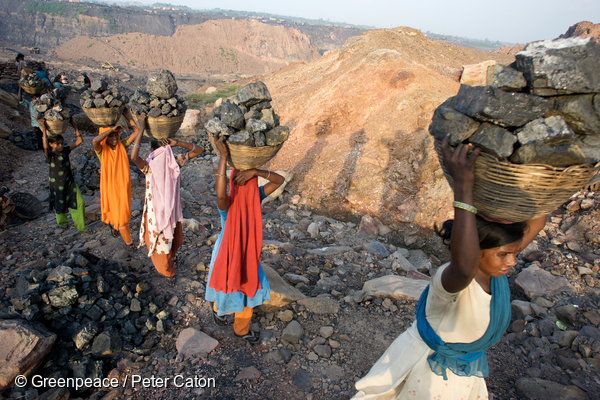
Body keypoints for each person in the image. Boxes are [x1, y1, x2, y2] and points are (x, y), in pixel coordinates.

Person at [352, 135, 547, 400]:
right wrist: (463, 186)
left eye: (513, 253)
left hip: (462, 370)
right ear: (475, 249)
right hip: (429, 371)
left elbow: (538, 217)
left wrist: (531, 172)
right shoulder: (453, 280)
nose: (512, 262)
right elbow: (465, 265)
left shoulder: (492, 266)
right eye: (504, 254)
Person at [205, 135, 284, 344]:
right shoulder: (228, 204)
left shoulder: (255, 196)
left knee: (245, 285)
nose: (248, 184)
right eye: (245, 180)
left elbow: (280, 180)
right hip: (228, 251)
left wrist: (256, 171)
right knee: (229, 283)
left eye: (251, 180)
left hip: (248, 251)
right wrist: (223, 156)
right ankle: (220, 312)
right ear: (234, 183)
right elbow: (219, 192)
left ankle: (238, 327)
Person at [129, 113, 204, 284]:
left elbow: (199, 151)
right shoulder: (155, 165)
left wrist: (176, 142)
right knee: (162, 244)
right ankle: (167, 273)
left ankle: (170, 264)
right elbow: (198, 150)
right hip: (157, 213)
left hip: (170, 210)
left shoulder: (172, 163)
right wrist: (176, 144)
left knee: (174, 241)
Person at [92, 109, 139, 247]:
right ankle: (129, 244)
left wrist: (127, 115)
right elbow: (95, 141)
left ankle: (114, 227)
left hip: (123, 187)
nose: (114, 139)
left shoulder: (122, 145)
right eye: (111, 137)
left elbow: (136, 132)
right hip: (111, 188)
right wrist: (111, 130)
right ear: (105, 136)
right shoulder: (101, 150)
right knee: (122, 217)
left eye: (116, 136)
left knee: (122, 212)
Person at [38, 117, 87, 232]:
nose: (60, 145)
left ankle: (81, 226)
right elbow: (44, 146)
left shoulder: (65, 151)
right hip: (57, 184)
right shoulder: (50, 155)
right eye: (57, 144)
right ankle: (62, 223)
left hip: (70, 182)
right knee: (59, 203)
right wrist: (44, 130)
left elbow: (80, 141)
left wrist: (73, 124)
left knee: (79, 202)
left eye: (62, 143)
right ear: (51, 144)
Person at [17, 86, 44, 151]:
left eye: (36, 98)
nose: (35, 99)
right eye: (33, 98)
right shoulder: (30, 105)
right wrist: (20, 89)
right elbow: (20, 99)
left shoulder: (43, 105)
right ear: (31, 99)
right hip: (36, 125)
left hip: (44, 125)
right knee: (40, 139)